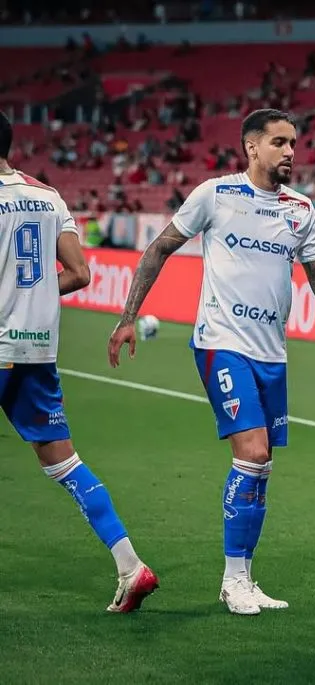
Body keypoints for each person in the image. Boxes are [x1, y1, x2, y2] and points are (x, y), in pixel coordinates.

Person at [107, 108, 315, 615]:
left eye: (293, 143)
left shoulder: (300, 209)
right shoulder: (216, 194)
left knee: (263, 467)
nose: (290, 152)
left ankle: (244, 575)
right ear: (252, 147)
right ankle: (232, 578)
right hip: (221, 342)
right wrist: (128, 315)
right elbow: (158, 249)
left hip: (272, 352)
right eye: (280, 142)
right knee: (253, 453)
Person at [0, 111, 159, 612]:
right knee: (65, 464)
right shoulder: (47, 197)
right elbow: (81, 272)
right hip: (36, 351)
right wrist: (28, 295)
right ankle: (131, 565)